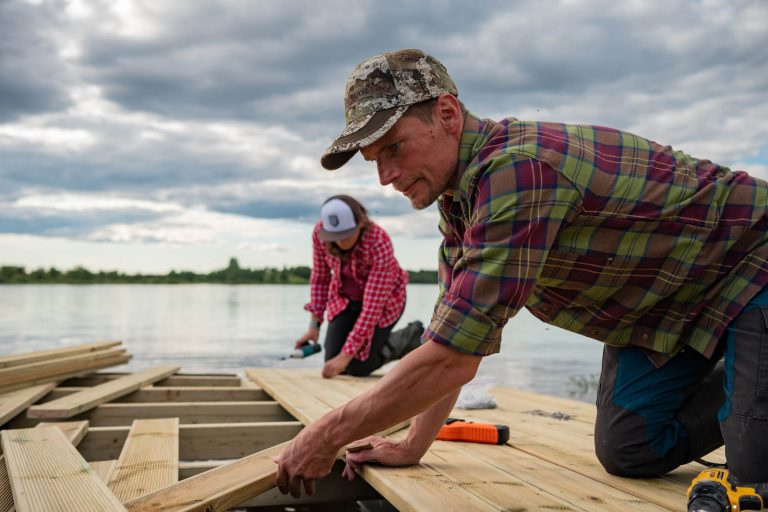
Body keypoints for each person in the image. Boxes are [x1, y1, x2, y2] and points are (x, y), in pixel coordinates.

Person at [275, 48, 768, 497]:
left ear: (447, 114)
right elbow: (450, 334)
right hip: (666, 305)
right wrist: (412, 445)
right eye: (374, 160)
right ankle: (744, 376)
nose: (385, 177)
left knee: (755, 477)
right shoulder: (459, 204)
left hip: (751, 263)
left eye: (394, 148)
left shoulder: (517, 171)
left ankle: (753, 380)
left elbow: (453, 358)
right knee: (632, 449)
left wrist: (328, 433)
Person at [295, 194, 423, 378]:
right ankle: (362, 350)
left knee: (358, 367)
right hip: (346, 301)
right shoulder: (320, 232)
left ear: (360, 223)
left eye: (345, 235)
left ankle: (412, 335)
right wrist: (314, 325)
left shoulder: (379, 241)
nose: (340, 242)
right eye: (335, 236)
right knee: (333, 361)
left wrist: (347, 355)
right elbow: (320, 278)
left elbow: (372, 308)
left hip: (384, 303)